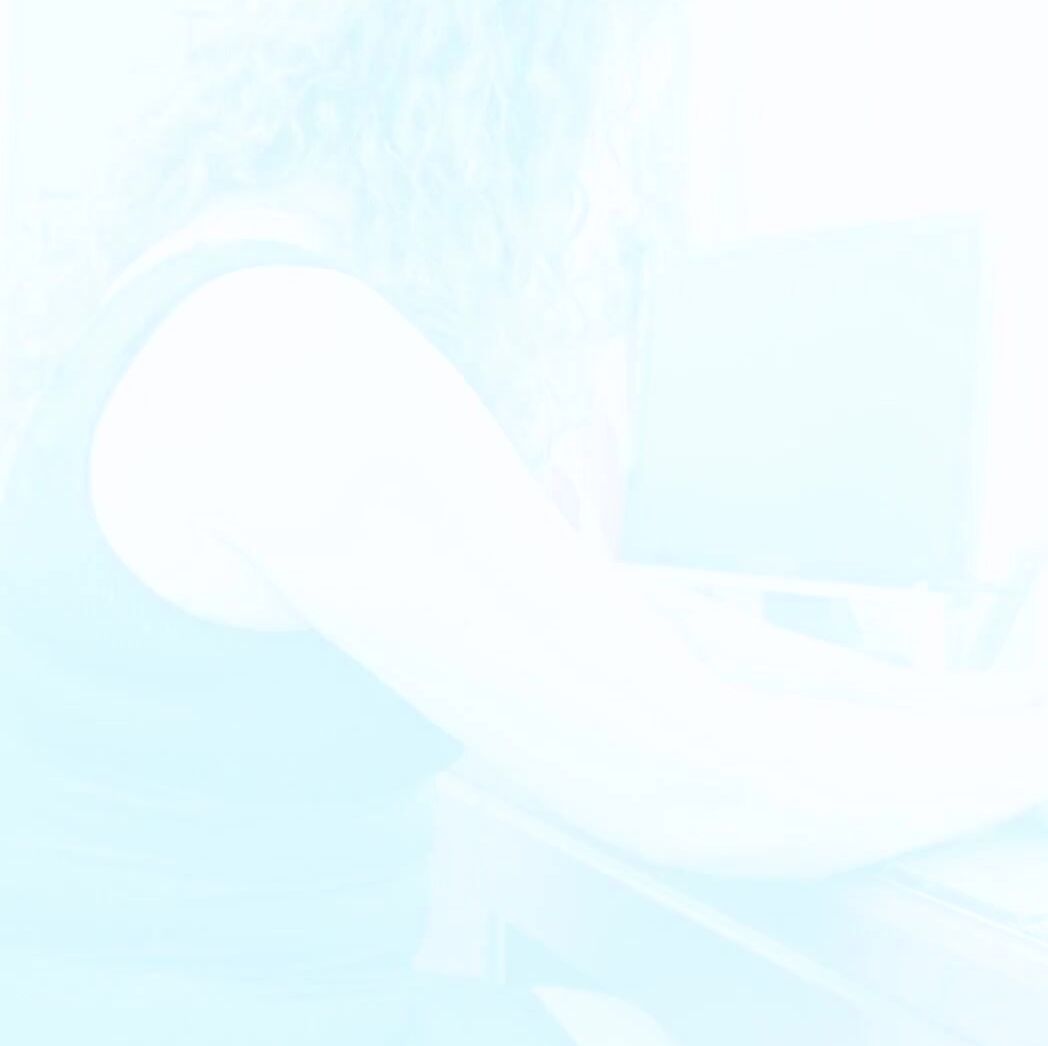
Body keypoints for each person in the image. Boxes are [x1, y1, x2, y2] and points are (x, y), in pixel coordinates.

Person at [2, 2, 1048, 1041]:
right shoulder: (289, 347)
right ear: (518, 123)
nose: (608, 208)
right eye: (611, 146)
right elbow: (697, 781)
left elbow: (644, 637)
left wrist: (981, 720)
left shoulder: (213, 295)